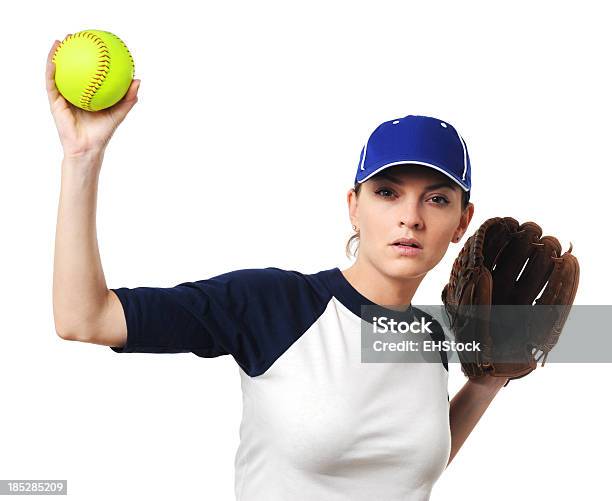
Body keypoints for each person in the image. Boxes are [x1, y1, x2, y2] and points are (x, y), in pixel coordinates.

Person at [47, 36, 509, 501]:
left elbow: (399, 472)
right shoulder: (273, 306)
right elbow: (84, 318)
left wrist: (486, 382)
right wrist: (82, 158)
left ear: (460, 223)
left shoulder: (430, 337)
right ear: (354, 207)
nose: (411, 216)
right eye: (387, 192)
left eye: (437, 199)